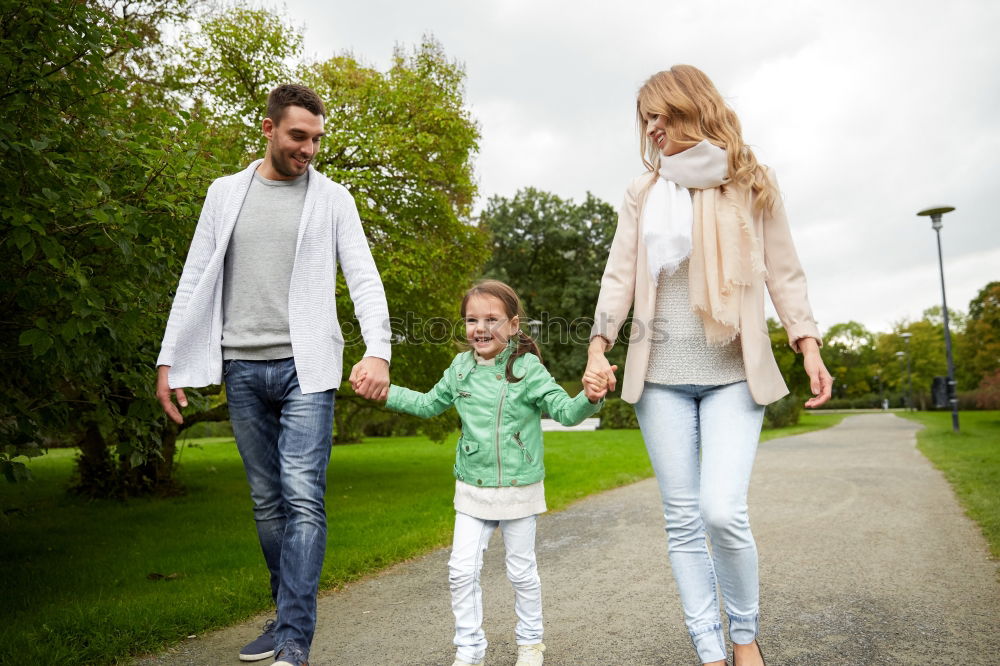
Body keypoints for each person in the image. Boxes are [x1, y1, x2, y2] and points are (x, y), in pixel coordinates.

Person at [583, 65, 833, 666]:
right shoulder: (644, 193)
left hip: (732, 375)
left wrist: (808, 343)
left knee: (722, 510)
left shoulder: (751, 182)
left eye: (659, 115)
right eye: (645, 120)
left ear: (690, 109)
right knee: (683, 521)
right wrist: (599, 343)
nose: (651, 129)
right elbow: (619, 275)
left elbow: (783, 269)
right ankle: (709, 648)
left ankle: (745, 633)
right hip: (660, 378)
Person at [155, 83, 391, 666]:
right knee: (267, 504)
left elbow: (363, 277)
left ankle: (293, 641)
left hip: (306, 370)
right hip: (241, 368)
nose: (308, 149)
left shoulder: (333, 199)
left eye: (316, 139)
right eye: (297, 136)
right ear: (268, 129)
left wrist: (377, 349)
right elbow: (194, 277)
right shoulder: (225, 194)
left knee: (303, 499)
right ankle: (284, 612)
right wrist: (169, 360)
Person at [360, 279, 605, 666]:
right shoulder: (460, 369)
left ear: (513, 324)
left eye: (492, 318)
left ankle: (530, 644)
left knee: (522, 573)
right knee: (461, 571)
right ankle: (470, 649)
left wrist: (590, 398)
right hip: (472, 487)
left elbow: (565, 411)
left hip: (519, 487)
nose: (481, 328)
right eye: (472, 319)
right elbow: (427, 404)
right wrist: (385, 392)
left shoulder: (528, 370)